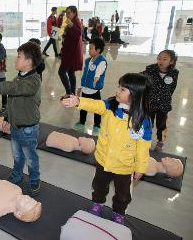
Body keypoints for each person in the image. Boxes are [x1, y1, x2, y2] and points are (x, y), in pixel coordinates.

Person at [61, 73, 152, 225]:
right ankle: (97, 204)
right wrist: (79, 101)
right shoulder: (112, 104)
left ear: (135, 95)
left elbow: (143, 147)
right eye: (118, 87)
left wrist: (141, 167)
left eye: (122, 89)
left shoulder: (143, 120)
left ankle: (118, 213)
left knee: (122, 194)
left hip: (124, 166)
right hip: (103, 160)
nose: (117, 91)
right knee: (99, 186)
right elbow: (96, 105)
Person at [0, 42, 42, 197]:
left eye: (19, 57)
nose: (15, 59)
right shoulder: (18, 77)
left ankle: (34, 179)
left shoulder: (34, 80)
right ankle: (17, 174)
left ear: (28, 62)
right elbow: (12, 101)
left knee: (30, 157)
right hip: (15, 126)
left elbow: (16, 89)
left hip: (28, 128)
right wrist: (7, 118)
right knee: (17, 155)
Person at [141, 50, 179, 151]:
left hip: (163, 104)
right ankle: (146, 139)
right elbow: (142, 77)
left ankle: (160, 140)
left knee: (161, 124)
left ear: (171, 61)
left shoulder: (174, 73)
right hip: (150, 102)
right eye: (159, 58)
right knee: (148, 122)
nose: (160, 61)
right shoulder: (150, 69)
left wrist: (164, 97)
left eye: (164, 59)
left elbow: (171, 88)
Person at [73, 38, 107, 136]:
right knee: (83, 106)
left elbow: (99, 70)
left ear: (98, 50)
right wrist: (79, 88)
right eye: (89, 48)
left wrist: (96, 77)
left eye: (91, 48)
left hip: (94, 91)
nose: (89, 50)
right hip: (85, 89)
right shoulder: (88, 60)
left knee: (97, 108)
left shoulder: (102, 61)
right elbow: (84, 75)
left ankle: (97, 125)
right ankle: (82, 122)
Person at [59, 5, 83, 95]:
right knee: (70, 72)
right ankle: (72, 92)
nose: (67, 15)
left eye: (69, 13)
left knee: (61, 72)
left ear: (74, 13)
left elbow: (78, 34)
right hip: (69, 51)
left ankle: (69, 92)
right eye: (66, 13)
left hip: (70, 53)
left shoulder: (75, 22)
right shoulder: (72, 21)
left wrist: (71, 26)